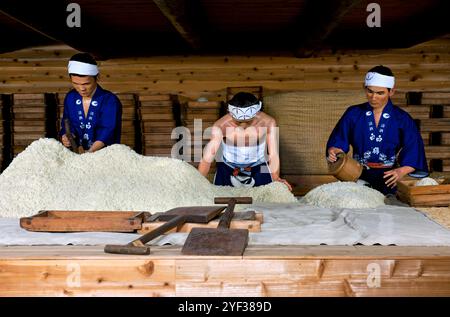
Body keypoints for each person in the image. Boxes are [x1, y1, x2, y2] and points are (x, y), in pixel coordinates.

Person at [326, 65, 428, 195]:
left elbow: (414, 147)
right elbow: (338, 141)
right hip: (356, 174)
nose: (373, 97)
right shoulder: (353, 113)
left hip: (389, 178)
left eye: (380, 93)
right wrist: (334, 151)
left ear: (391, 92)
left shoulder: (402, 118)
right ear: (364, 88)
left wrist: (401, 171)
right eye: (370, 91)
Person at [198, 92, 292, 190]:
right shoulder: (221, 126)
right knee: (220, 197)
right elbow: (207, 158)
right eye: (238, 122)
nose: (243, 125)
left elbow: (273, 154)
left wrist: (276, 178)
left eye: (248, 121)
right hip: (228, 168)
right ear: (230, 112)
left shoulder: (268, 122)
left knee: (267, 198)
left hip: (258, 167)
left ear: (256, 113)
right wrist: (199, 182)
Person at [60, 53, 122, 153]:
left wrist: (89, 153)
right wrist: (66, 136)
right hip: (77, 155)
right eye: (76, 83)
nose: (81, 88)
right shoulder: (70, 98)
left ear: (96, 78)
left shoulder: (109, 100)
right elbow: (67, 124)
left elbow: (108, 131)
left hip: (104, 156)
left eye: (86, 84)